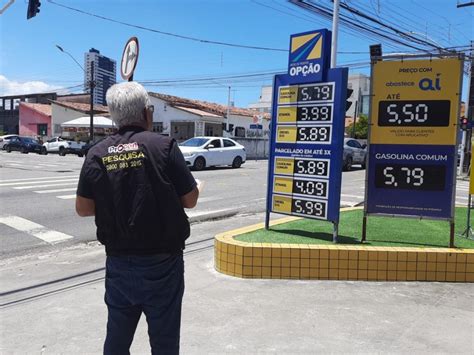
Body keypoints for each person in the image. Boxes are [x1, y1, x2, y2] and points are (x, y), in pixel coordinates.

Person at [75, 81, 199, 355]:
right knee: (164, 341)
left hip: (118, 263)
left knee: (117, 340)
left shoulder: (97, 153)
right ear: (147, 112)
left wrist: (114, 201)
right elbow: (190, 199)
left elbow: (83, 208)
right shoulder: (164, 146)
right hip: (163, 263)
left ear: (113, 115)